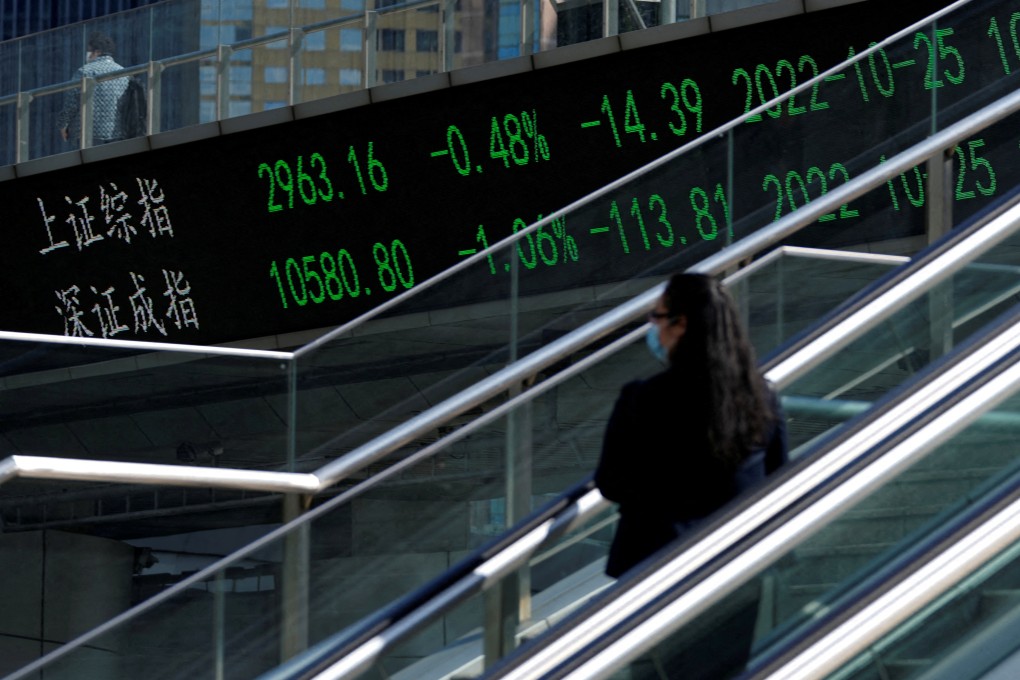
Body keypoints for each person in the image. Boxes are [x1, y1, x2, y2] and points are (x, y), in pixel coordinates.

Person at [594, 272, 787, 678]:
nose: (653, 327)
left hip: (654, 569)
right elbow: (777, 481)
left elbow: (610, 482)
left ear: (680, 324)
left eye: (656, 316)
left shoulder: (643, 398)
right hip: (733, 570)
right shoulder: (762, 400)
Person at [57, 32, 129, 146]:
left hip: (89, 132)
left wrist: (63, 124)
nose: (87, 54)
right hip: (117, 131)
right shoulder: (124, 73)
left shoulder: (84, 71)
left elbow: (72, 101)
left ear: (97, 52)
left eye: (89, 51)